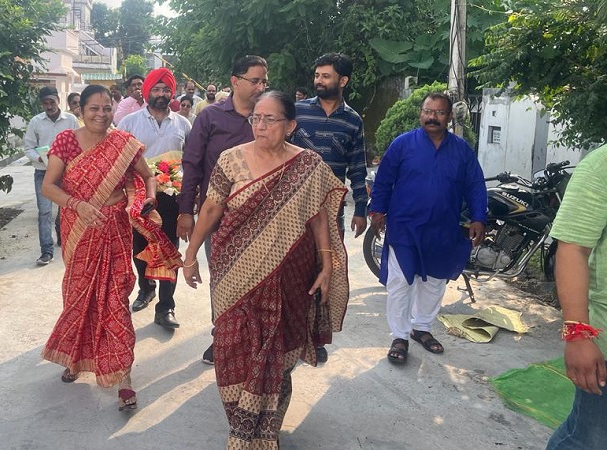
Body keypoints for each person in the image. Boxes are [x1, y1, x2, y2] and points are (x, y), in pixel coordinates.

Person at [182, 91, 349, 449]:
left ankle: (263, 432)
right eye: (255, 118)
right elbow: (210, 209)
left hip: (290, 273)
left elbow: (319, 216)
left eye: (269, 119)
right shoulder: (231, 159)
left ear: (290, 126)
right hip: (233, 272)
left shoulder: (308, 165)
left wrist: (327, 263)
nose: (259, 125)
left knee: (277, 349)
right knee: (231, 346)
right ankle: (241, 426)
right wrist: (191, 254)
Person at [40, 85, 181, 411]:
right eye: (94, 108)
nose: (101, 115)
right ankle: (75, 358)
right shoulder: (66, 141)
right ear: (81, 110)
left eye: (107, 108)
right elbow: (48, 186)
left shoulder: (123, 143)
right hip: (79, 228)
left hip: (115, 228)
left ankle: (124, 377)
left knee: (116, 298)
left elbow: (148, 176)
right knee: (79, 296)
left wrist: (148, 197)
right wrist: (77, 205)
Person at [369, 92, 487, 364]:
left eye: (439, 112)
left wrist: (479, 217)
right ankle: (399, 336)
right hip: (405, 227)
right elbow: (384, 180)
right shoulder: (402, 144)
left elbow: (475, 185)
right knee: (401, 282)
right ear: (420, 114)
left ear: (449, 117)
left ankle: (421, 328)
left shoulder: (461, 150)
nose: (432, 117)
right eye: (427, 111)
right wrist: (377, 211)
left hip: (442, 228)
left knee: (434, 281)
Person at [177, 55, 268, 364]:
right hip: (217, 217)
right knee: (222, 279)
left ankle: (255, 339)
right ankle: (223, 337)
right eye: (254, 81)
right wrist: (186, 211)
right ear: (235, 81)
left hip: (260, 217)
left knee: (259, 280)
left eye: (264, 81)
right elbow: (192, 164)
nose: (260, 87)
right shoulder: (210, 117)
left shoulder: (267, 118)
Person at [291, 52, 369, 362]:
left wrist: (361, 208)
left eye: (326, 76)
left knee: (324, 269)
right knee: (293, 269)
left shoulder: (353, 121)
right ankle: (291, 334)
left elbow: (357, 167)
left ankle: (315, 337)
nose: (319, 81)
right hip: (293, 208)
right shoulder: (298, 111)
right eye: (317, 75)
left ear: (343, 80)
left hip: (331, 210)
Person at [119, 68, 192, 330]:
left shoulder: (183, 124)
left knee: (170, 248)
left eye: (166, 90)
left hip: (172, 196)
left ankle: (166, 307)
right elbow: (120, 160)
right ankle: (146, 288)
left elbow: (190, 161)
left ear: (172, 93)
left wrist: (189, 198)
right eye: (156, 89)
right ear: (147, 92)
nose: (161, 94)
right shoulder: (129, 123)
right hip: (138, 196)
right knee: (139, 247)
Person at [545, 145, 607, 449]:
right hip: (605, 343)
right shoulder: (601, 165)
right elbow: (572, 249)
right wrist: (578, 335)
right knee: (590, 439)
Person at [23, 86, 79, 265]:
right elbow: (28, 147)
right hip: (43, 172)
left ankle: (62, 233)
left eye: (52, 102)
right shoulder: (36, 122)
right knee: (45, 211)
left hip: (66, 172)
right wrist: (38, 157)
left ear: (58, 101)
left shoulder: (71, 120)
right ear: (42, 104)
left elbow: (79, 142)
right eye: (45, 103)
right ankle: (46, 251)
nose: (49, 106)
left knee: (66, 207)